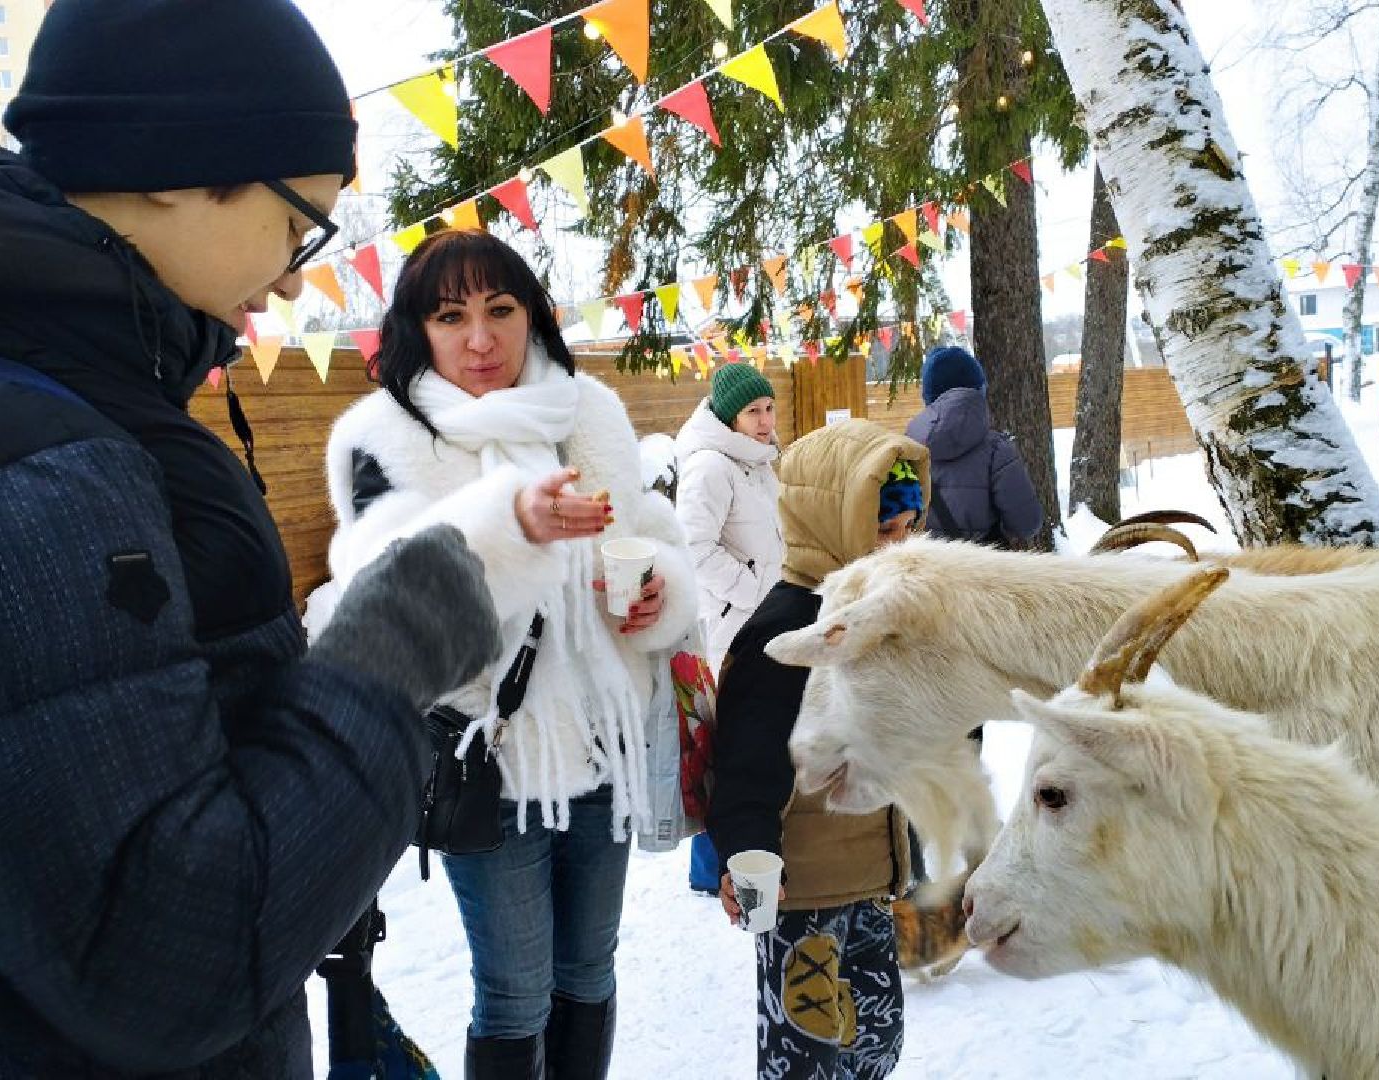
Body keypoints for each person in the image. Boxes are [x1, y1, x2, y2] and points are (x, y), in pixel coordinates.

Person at [0, 1, 502, 1075]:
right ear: (171, 167)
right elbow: (169, 953)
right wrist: (392, 653)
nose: (298, 274)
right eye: (301, 223)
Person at [319, 228, 695, 1079]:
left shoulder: (586, 412)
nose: (481, 339)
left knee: (590, 974)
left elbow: (645, 539)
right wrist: (507, 523)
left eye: (500, 308)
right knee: (515, 995)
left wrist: (654, 596)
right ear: (418, 328)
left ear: (533, 315)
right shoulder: (384, 435)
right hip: (489, 763)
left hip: (604, 751)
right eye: (452, 316)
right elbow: (382, 584)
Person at [707, 418, 926, 1080]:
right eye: (883, 529)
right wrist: (747, 859)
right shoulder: (783, 630)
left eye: (909, 527)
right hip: (799, 890)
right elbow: (746, 762)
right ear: (834, 522)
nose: (900, 544)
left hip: (867, 881)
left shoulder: (879, 614)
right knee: (804, 1055)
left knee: (877, 1041)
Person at [672, 361, 785, 897]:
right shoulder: (711, 467)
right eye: (752, 412)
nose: (765, 421)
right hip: (734, 626)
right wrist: (754, 593)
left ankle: (731, 854)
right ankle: (708, 867)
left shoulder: (759, 463)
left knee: (748, 741)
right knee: (727, 747)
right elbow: (693, 547)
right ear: (727, 416)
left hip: (762, 620)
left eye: (768, 409)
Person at [906, 345, 1042, 548]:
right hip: (982, 573)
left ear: (928, 397)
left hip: (926, 571)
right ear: (979, 391)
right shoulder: (997, 450)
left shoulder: (907, 448)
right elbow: (1027, 524)